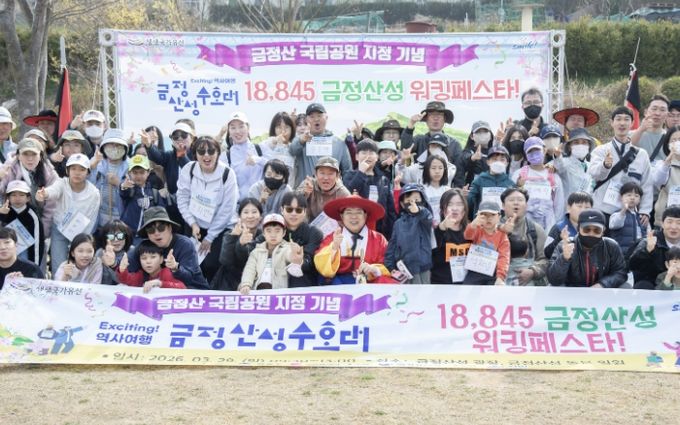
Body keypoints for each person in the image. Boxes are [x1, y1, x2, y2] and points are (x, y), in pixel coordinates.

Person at [177, 135, 238, 283]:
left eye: (211, 151)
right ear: (195, 154)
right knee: (191, 264)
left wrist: (210, 237)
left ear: (217, 153)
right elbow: (182, 198)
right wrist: (192, 223)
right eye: (201, 151)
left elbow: (227, 209)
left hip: (220, 227)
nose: (206, 155)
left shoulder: (228, 174)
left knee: (212, 265)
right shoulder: (188, 169)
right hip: (194, 225)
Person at [36, 153, 101, 275]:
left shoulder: (94, 193)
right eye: (73, 168)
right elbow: (53, 191)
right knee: (58, 265)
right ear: (67, 170)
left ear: (88, 172)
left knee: (79, 266)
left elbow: (92, 218)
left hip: (81, 233)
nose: (77, 173)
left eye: (82, 169)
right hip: (59, 230)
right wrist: (44, 194)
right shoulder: (62, 183)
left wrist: (83, 239)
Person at [588, 106, 653, 227]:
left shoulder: (641, 155)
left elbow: (647, 185)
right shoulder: (601, 150)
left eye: (626, 119)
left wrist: (645, 210)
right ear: (612, 123)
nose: (622, 123)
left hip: (628, 214)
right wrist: (605, 166)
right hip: (601, 211)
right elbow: (594, 174)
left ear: (632, 123)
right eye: (618, 119)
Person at [314, 195, 395, 284]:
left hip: (369, 285)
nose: (353, 217)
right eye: (348, 212)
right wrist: (333, 247)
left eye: (358, 212)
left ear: (365, 215)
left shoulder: (379, 240)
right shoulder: (332, 238)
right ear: (341, 216)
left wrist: (374, 269)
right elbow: (321, 266)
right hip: (338, 286)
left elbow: (389, 266)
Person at [127, 207, 209, 290]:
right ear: (147, 234)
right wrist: (118, 265)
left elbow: (189, 278)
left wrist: (175, 268)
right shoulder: (145, 246)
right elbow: (127, 267)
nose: (156, 233)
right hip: (159, 292)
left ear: (170, 228)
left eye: (161, 228)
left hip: (194, 291)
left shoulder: (185, 245)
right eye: (151, 230)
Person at [547, 209, 627, 288]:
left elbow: (621, 273)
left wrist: (603, 284)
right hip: (572, 290)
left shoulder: (611, 246)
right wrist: (564, 259)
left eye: (597, 230)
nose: (591, 234)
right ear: (578, 229)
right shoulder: (565, 245)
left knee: (626, 286)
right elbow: (553, 280)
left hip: (601, 291)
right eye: (586, 229)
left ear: (603, 231)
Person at [0, 138, 59, 234]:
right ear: (18, 156)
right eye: (25, 154)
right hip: (10, 222)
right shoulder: (8, 169)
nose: (30, 158)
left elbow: (51, 207)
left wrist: (43, 232)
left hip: (38, 222)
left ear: (40, 156)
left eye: (34, 154)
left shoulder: (50, 174)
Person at [400, 101, 465, 187]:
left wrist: (458, 190)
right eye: (432, 115)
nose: (436, 118)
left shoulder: (454, 144)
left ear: (445, 119)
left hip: (445, 191)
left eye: (439, 115)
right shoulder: (419, 140)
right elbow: (405, 149)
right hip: (420, 189)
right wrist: (411, 123)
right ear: (426, 119)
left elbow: (459, 173)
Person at [343, 139, 397, 239]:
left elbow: (391, 211)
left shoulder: (383, 179)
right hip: (355, 231)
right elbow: (347, 196)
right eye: (364, 152)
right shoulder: (349, 175)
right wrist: (361, 173)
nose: (368, 156)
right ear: (356, 156)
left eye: (371, 153)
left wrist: (391, 236)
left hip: (380, 232)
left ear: (377, 157)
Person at [238, 213, 304, 294]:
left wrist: (295, 257)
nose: (273, 235)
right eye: (269, 231)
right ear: (263, 233)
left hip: (278, 294)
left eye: (277, 231)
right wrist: (246, 285)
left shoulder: (287, 248)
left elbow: (290, 255)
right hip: (257, 292)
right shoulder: (256, 252)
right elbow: (249, 269)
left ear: (283, 233)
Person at [289, 103, 352, 187]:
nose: (316, 119)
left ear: (326, 117)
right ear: (306, 120)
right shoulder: (301, 140)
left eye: (319, 116)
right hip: (306, 192)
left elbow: (347, 172)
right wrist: (302, 140)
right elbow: (292, 150)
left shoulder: (339, 143)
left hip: (332, 193)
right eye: (312, 117)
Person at [141, 122, 191, 226]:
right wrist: (149, 145)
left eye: (184, 135)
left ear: (191, 137)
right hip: (173, 203)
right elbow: (157, 157)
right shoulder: (169, 155)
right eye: (176, 136)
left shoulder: (197, 154)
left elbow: (190, 170)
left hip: (192, 204)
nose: (180, 138)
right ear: (172, 139)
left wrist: (181, 153)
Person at [512, 137, 565, 231]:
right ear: (526, 155)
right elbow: (512, 201)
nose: (534, 154)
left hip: (548, 226)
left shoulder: (554, 176)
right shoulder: (518, 175)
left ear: (544, 150)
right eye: (530, 152)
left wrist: (555, 229)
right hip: (523, 227)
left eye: (537, 150)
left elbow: (559, 204)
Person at [499, 187, 549, 286]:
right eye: (511, 200)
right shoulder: (493, 228)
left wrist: (532, 271)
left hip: (529, 286)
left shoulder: (535, 229)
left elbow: (545, 259)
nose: (516, 203)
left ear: (526, 205)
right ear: (503, 205)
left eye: (520, 200)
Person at [385, 184, 433, 284]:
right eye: (408, 200)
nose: (413, 203)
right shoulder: (398, 223)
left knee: (424, 292)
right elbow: (392, 246)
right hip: (404, 269)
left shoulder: (424, 219)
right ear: (402, 204)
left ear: (423, 201)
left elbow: (427, 216)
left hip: (423, 269)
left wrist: (419, 211)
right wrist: (390, 266)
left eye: (416, 199)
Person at [212, 198, 263, 291]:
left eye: (254, 212)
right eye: (246, 212)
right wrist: (233, 237)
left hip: (255, 282)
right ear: (239, 216)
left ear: (260, 216)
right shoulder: (230, 234)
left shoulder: (264, 236)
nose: (250, 216)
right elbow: (225, 261)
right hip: (228, 284)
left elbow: (249, 260)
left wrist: (241, 245)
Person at [629, 206, 680, 290]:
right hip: (653, 284)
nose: (674, 227)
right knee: (643, 285)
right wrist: (647, 250)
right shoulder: (650, 240)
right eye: (669, 222)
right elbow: (632, 265)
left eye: (678, 223)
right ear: (662, 224)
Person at [278, 192, 323, 287]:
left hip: (303, 279)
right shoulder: (273, 229)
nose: (293, 214)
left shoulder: (314, 233)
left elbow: (311, 262)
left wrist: (299, 261)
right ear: (282, 210)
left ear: (305, 212)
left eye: (298, 210)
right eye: (289, 209)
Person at [462, 201, 509, 286]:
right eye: (484, 215)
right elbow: (467, 236)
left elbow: (504, 257)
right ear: (478, 216)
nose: (488, 218)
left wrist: (500, 277)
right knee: (467, 290)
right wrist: (473, 224)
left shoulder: (502, 236)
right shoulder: (476, 229)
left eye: (492, 215)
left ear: (499, 217)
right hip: (474, 270)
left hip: (493, 272)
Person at [89, 129, 130, 227]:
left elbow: (133, 192)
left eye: (118, 145)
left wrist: (119, 183)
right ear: (103, 147)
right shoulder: (96, 162)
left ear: (125, 148)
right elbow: (87, 185)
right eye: (111, 144)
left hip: (122, 217)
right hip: (98, 216)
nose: (114, 147)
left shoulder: (131, 165)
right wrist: (93, 167)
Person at [0, 180, 44, 268]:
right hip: (4, 249)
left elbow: (37, 243)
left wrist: (34, 267)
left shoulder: (32, 216)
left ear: (28, 198)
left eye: (21, 195)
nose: (17, 198)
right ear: (8, 198)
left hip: (25, 253)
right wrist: (1, 215)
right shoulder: (3, 211)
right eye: (13, 195)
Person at [432, 189, 471, 284]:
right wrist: (441, 228)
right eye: (450, 204)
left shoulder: (472, 231)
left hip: (467, 285)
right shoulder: (436, 231)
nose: (455, 208)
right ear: (443, 210)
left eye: (459, 204)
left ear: (465, 209)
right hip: (441, 285)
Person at [120, 154, 166, 235]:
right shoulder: (129, 189)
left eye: (142, 172)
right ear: (129, 173)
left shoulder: (154, 193)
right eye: (135, 172)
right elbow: (123, 193)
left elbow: (161, 213)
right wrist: (124, 186)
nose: (138, 176)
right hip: (128, 235)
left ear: (148, 172)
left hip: (147, 235)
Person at [116, 240, 187, 293]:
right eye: (144, 258)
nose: (148, 261)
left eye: (153, 257)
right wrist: (122, 270)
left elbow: (182, 288)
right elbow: (128, 281)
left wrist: (160, 283)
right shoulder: (142, 275)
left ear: (161, 259)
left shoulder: (166, 272)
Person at [297, 156, 350, 222]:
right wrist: (304, 194)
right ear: (315, 174)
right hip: (308, 224)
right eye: (322, 173)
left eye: (330, 174)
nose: (326, 178)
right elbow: (292, 203)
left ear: (337, 176)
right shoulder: (308, 184)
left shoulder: (343, 193)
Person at [467, 145, 515, 217]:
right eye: (494, 159)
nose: (498, 162)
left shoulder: (510, 184)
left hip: (502, 221)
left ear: (507, 163)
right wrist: (467, 195)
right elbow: (470, 202)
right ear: (488, 162)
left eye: (502, 160)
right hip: (482, 219)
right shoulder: (479, 180)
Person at [544, 191, 593, 260]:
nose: (583, 210)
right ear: (569, 208)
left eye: (587, 207)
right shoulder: (558, 228)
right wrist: (559, 238)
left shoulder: (594, 230)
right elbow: (546, 253)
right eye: (579, 206)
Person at [552, 128, 595, 196]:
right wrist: (557, 156)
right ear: (569, 146)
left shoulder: (591, 166)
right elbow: (559, 166)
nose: (580, 145)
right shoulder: (565, 163)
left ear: (589, 146)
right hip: (568, 202)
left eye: (584, 142)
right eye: (576, 142)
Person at [608, 181, 645, 256]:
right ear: (621, 197)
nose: (632, 198)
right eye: (629, 195)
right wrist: (623, 210)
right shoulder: (617, 214)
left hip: (636, 254)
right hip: (620, 254)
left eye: (636, 196)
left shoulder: (639, 217)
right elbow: (614, 225)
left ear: (640, 200)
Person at [259, 112, 297, 185]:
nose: (283, 131)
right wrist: (276, 141)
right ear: (274, 129)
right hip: (270, 189)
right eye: (279, 127)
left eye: (286, 127)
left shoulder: (293, 148)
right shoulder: (267, 145)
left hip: (288, 189)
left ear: (292, 129)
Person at [652, 125, 680, 224]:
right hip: (665, 222)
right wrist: (668, 160)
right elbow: (657, 181)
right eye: (673, 140)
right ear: (668, 144)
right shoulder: (662, 165)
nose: (677, 143)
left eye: (679, 139)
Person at [631, 94, 670, 161]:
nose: (657, 113)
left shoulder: (670, 138)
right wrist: (641, 130)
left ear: (667, 115)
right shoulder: (631, 135)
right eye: (654, 109)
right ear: (645, 112)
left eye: (662, 110)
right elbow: (624, 150)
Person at [461, 120, 494, 185]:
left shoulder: (494, 152)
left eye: (485, 131)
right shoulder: (468, 151)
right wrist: (472, 158)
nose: (482, 134)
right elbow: (464, 159)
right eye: (478, 132)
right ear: (472, 136)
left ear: (490, 136)